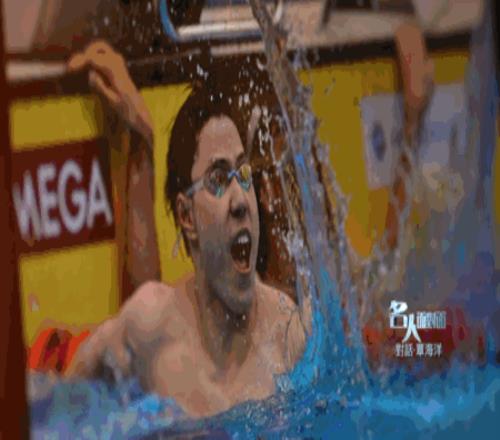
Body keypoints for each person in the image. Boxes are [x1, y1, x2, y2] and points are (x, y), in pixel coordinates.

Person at [66, 43, 309, 418]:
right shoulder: (151, 326)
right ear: (186, 216)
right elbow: (60, 407)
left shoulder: (286, 335)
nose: (241, 200)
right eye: (218, 179)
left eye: (244, 174)